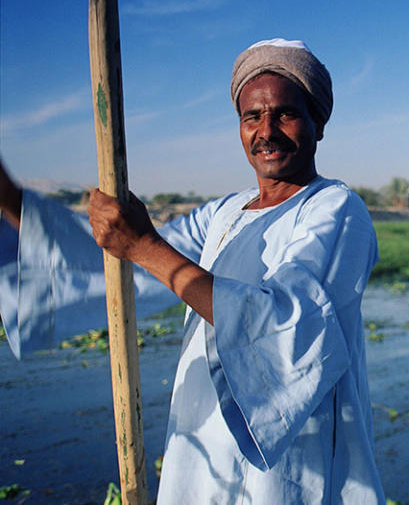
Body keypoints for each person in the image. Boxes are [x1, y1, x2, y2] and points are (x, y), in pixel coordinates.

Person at [0, 39, 385, 504]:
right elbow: (125, 262)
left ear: (317, 123)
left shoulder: (336, 208)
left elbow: (286, 323)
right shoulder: (223, 213)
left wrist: (145, 245)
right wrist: (9, 200)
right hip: (205, 450)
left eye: (285, 114)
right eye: (251, 117)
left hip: (292, 459)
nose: (267, 131)